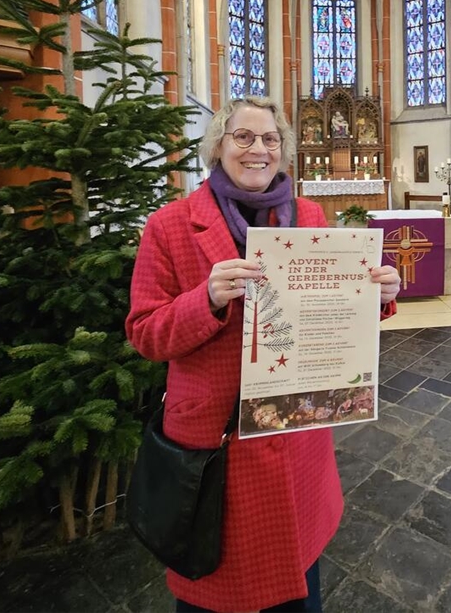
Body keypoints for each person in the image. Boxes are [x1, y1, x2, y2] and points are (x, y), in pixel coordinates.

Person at [126, 96, 401, 613]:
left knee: (297, 588)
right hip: (216, 442)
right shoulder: (170, 225)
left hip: (294, 435)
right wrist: (204, 299)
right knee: (216, 585)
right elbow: (144, 333)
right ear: (218, 146)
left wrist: (377, 295)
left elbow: (332, 309)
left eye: (270, 139)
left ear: (284, 149)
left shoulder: (311, 215)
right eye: (244, 137)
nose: (258, 149)